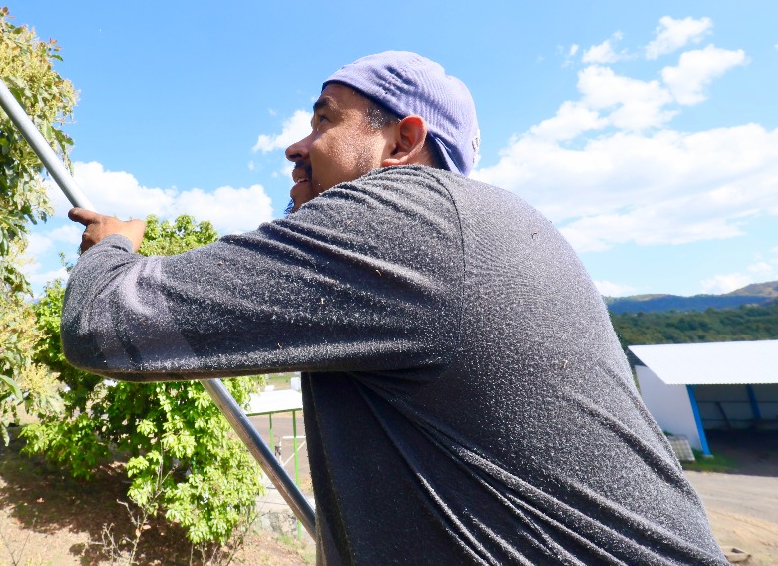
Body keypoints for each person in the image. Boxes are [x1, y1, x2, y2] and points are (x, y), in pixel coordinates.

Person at [61, 52, 726, 564]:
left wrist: (110, 248)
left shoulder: (414, 217)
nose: (295, 146)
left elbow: (107, 323)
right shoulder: (469, 233)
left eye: (325, 118)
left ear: (403, 144)